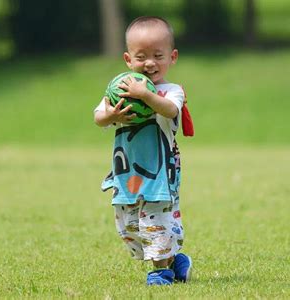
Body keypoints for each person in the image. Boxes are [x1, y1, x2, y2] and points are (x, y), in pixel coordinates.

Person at [94, 16, 194, 286]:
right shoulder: (120, 90)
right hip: (127, 173)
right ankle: (176, 261)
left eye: (158, 55)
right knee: (130, 226)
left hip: (160, 174)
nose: (149, 63)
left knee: (155, 222)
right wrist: (111, 114)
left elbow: (170, 110)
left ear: (172, 57)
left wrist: (146, 95)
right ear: (128, 59)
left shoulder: (171, 90)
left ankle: (160, 272)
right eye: (141, 56)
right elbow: (98, 116)